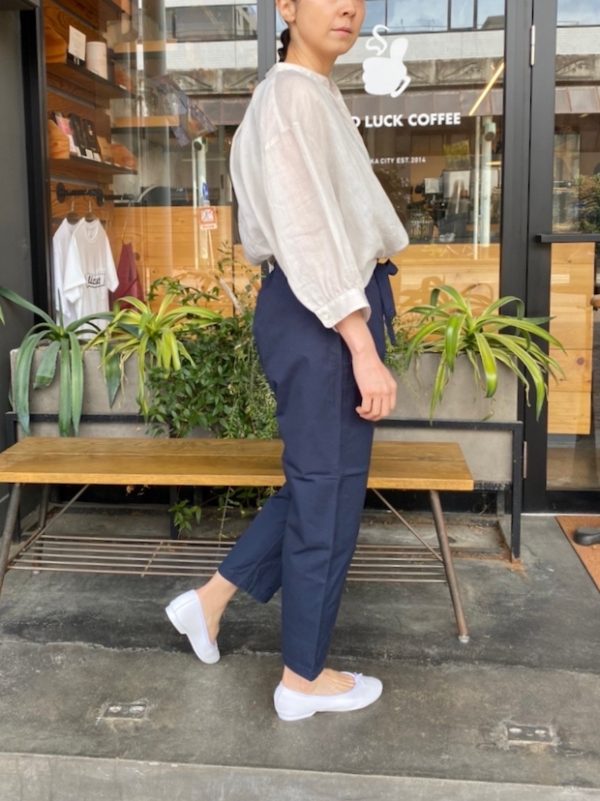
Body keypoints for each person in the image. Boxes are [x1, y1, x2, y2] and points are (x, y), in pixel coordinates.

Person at [165, 0, 409, 721]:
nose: (348, 7)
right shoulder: (290, 97)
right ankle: (302, 678)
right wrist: (361, 343)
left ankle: (209, 602)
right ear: (287, 7)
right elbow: (307, 234)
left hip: (323, 307)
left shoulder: (310, 92)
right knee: (326, 496)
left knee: (314, 485)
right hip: (323, 312)